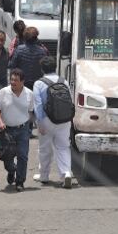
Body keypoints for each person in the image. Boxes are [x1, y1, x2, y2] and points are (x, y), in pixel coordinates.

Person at [32, 56, 74, 189]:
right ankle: (66, 173)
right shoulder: (64, 82)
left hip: (47, 120)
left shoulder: (39, 83)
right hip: (64, 119)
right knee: (63, 147)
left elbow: (38, 105)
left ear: (42, 68)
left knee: (45, 148)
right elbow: (70, 101)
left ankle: (44, 175)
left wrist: (40, 123)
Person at [0, 69, 33, 191]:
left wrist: (29, 125)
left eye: (16, 80)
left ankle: (20, 181)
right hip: (7, 131)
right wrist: (0, 122)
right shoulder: (3, 92)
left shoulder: (29, 94)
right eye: (12, 79)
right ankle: (12, 170)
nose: (13, 82)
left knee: (23, 156)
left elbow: (31, 111)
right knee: (7, 157)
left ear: (22, 82)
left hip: (23, 129)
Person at [9, 26, 49, 90]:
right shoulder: (42, 51)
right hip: (37, 85)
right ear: (36, 38)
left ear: (25, 38)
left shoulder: (19, 50)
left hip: (22, 84)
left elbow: (12, 66)